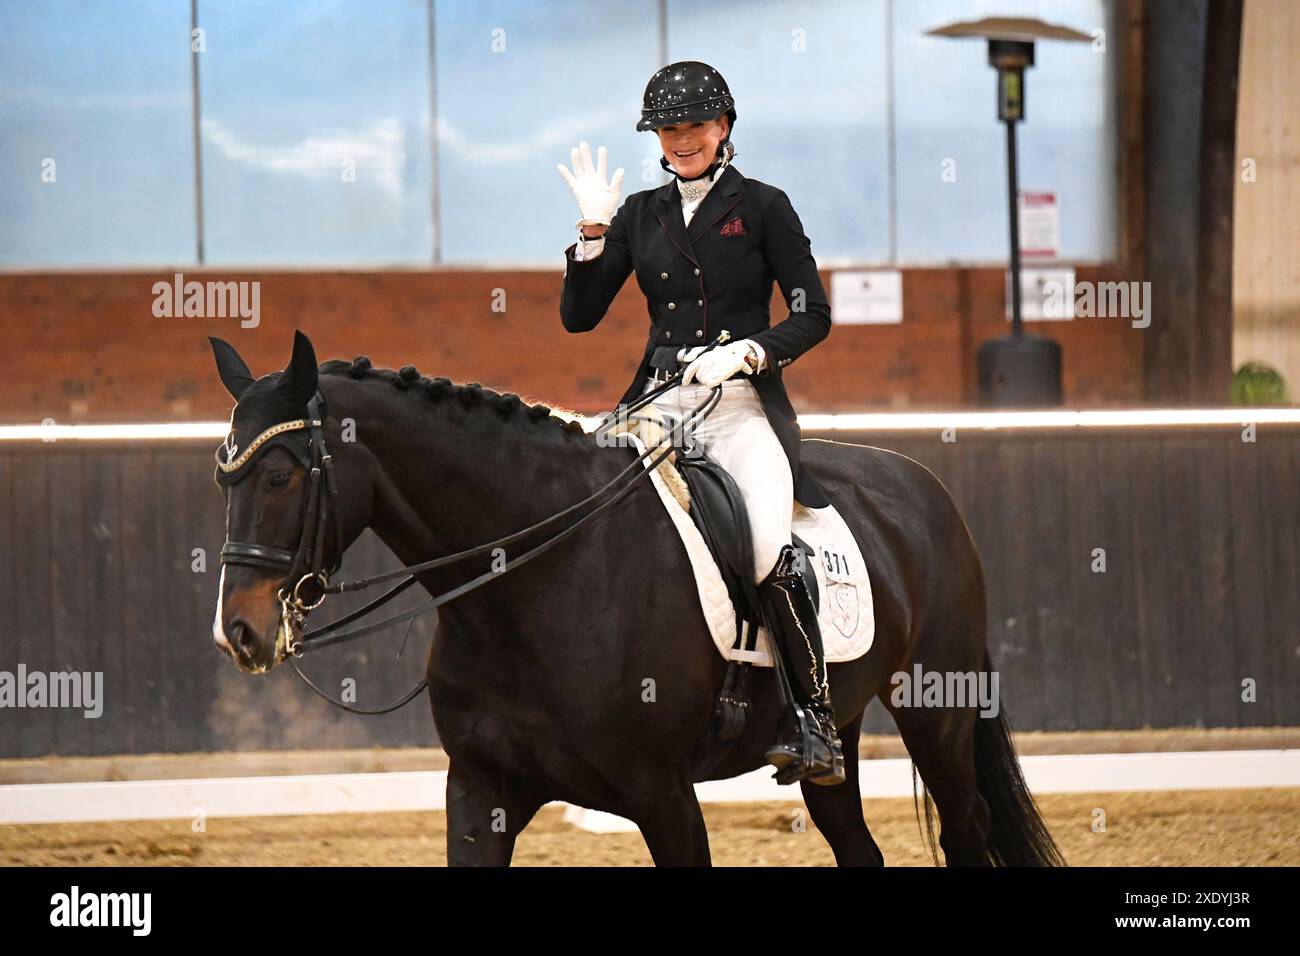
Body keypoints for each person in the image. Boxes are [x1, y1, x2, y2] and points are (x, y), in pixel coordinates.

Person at [556, 61, 843, 786]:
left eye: (694, 125)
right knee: (575, 522)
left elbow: (813, 314)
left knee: (769, 546)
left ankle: (812, 719)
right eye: (668, 128)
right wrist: (592, 233)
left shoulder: (766, 206)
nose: (681, 139)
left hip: (737, 407)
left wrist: (752, 351)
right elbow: (579, 318)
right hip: (653, 403)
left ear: (724, 128)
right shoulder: (642, 214)